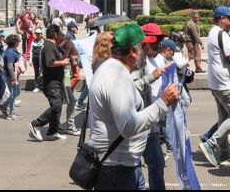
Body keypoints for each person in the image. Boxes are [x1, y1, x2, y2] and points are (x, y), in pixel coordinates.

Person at [86, 23, 180, 190]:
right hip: (116, 169)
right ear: (133, 51)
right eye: (143, 48)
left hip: (123, 164)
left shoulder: (111, 68)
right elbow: (128, 126)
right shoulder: (118, 77)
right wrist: (163, 102)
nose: (146, 54)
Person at [199, 6, 230, 167]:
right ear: (222, 18)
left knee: (224, 117)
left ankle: (224, 153)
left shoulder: (212, 32)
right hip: (225, 82)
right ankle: (210, 144)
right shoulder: (222, 35)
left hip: (215, 82)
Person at [136, 23, 171, 190]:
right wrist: (151, 77)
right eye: (154, 42)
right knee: (135, 167)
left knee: (157, 163)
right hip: (137, 123)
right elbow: (129, 88)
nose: (158, 45)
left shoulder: (157, 58)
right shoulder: (135, 61)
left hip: (151, 123)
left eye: (159, 41)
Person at [29, 24, 70, 141]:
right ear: (55, 35)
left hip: (56, 81)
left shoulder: (52, 45)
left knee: (58, 104)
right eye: (60, 34)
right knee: (56, 105)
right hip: (51, 82)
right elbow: (50, 62)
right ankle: (36, 124)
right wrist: (63, 62)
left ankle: (53, 131)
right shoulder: (48, 46)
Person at [2, 34, 22, 120]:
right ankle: (11, 113)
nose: (19, 42)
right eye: (18, 41)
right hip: (10, 76)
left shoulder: (13, 50)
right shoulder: (10, 52)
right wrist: (13, 78)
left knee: (17, 92)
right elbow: (10, 66)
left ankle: (3, 105)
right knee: (13, 93)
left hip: (14, 75)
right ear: (14, 42)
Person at [31, 28, 45, 93]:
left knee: (42, 72)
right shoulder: (33, 41)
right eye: (36, 34)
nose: (37, 35)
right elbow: (31, 51)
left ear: (41, 34)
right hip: (35, 59)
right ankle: (37, 86)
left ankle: (42, 87)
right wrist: (30, 60)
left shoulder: (44, 41)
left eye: (39, 34)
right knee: (36, 72)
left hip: (42, 59)